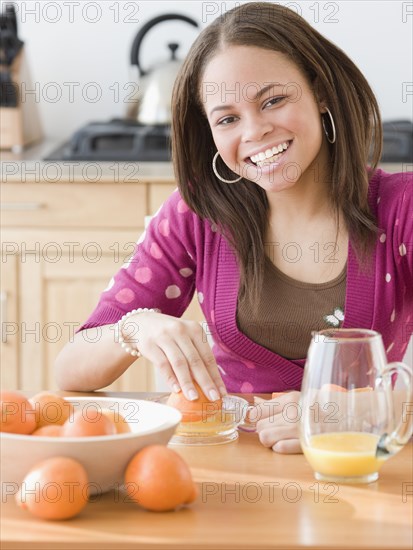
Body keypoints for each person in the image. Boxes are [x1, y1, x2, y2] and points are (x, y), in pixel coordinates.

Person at [55, 2, 412, 454]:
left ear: (320, 92)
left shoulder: (402, 212)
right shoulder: (196, 217)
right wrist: (136, 327)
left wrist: (358, 411)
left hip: (358, 466)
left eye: (274, 100)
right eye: (227, 119)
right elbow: (70, 369)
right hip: (229, 479)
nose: (255, 131)